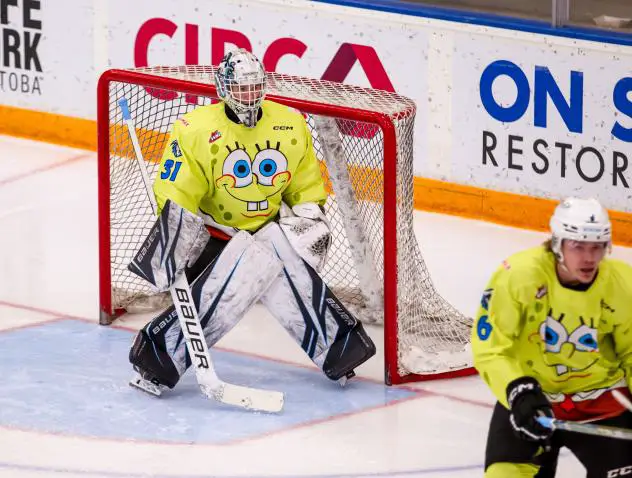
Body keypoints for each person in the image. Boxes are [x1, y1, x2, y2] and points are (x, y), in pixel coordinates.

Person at [127, 48, 375, 395]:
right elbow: (176, 191)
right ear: (223, 88)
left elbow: (304, 187)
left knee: (272, 248)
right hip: (215, 239)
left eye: (254, 86)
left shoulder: (289, 123)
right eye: (241, 88)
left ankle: (341, 349)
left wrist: (308, 221)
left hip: (265, 230)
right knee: (243, 272)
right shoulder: (195, 130)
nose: (248, 95)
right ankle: (157, 357)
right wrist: (175, 237)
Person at [472, 197, 632, 477]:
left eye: (597, 247)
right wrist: (518, 392)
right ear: (558, 245)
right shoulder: (518, 276)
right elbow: (491, 348)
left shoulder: (623, 284)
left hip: (603, 401)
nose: (589, 257)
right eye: (578, 246)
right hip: (533, 402)